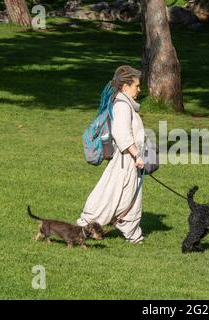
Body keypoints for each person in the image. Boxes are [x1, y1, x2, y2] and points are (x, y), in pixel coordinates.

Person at [77, 65, 145, 244]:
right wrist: (137, 155)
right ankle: (83, 225)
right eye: (136, 86)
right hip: (125, 160)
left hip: (129, 161)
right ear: (125, 87)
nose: (139, 89)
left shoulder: (126, 105)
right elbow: (122, 135)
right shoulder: (122, 106)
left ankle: (133, 235)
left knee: (130, 197)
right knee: (108, 196)